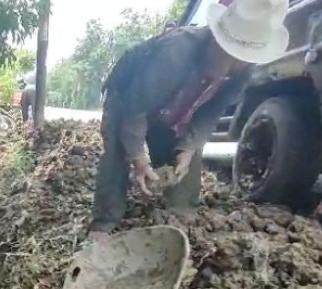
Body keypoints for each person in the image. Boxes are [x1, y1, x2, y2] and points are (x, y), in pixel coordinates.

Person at [89, 0, 289, 238]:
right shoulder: (176, 50)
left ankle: (181, 217)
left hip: (174, 109)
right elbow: (135, 109)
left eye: (242, 59)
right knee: (118, 152)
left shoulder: (244, 70)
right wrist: (139, 158)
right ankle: (103, 224)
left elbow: (210, 113)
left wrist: (189, 147)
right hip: (128, 98)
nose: (235, 65)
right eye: (230, 54)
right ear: (216, 38)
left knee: (182, 162)